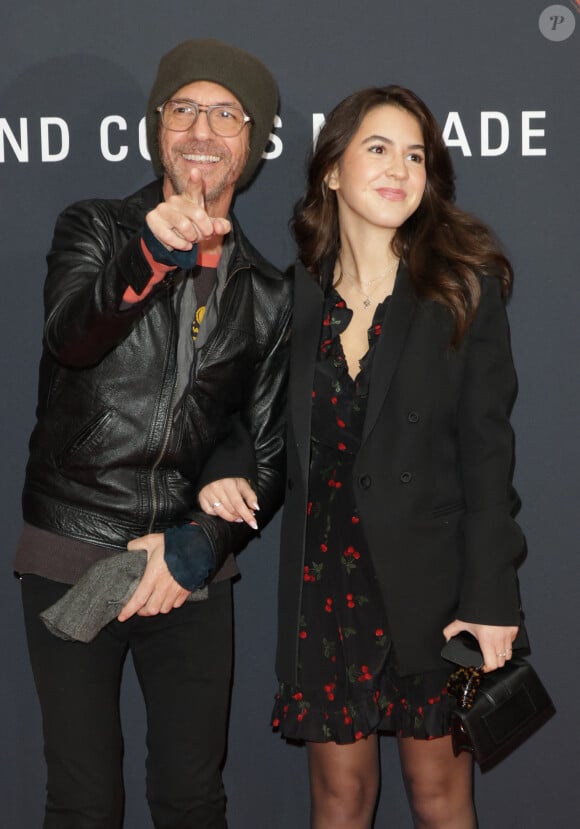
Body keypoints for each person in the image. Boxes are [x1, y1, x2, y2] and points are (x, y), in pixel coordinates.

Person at [201, 85, 526, 828]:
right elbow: (239, 417)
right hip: (327, 586)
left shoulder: (461, 289)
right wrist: (225, 461)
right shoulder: (291, 300)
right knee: (340, 801)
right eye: (378, 148)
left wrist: (491, 598)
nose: (400, 168)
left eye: (416, 155)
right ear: (332, 172)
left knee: (441, 799)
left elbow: (489, 460)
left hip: (435, 589)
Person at [14, 38, 291, 829]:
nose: (203, 128)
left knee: (193, 800)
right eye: (184, 108)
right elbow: (72, 337)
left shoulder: (270, 294)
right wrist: (151, 254)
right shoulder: (96, 228)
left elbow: (268, 454)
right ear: (157, 127)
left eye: (226, 113)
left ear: (252, 139)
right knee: (83, 802)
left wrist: (196, 546)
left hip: (188, 572)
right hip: (72, 546)